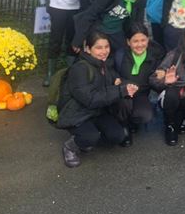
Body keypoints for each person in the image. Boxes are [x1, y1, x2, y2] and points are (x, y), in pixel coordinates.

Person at [58, 31, 137, 168]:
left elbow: (114, 82)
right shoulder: (79, 69)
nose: (104, 51)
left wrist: (126, 85)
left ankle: (88, 139)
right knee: (90, 137)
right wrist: (120, 90)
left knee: (118, 136)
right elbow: (90, 99)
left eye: (106, 47)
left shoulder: (103, 64)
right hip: (78, 113)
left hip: (97, 111)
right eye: (98, 47)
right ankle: (71, 146)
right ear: (88, 49)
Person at [71, 0, 149, 69]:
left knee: (122, 57)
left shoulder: (141, 0)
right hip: (99, 29)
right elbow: (90, 14)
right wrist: (78, 39)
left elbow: (137, 23)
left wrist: (138, 40)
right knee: (91, 58)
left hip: (117, 32)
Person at [115, 22, 164, 145]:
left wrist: (163, 79)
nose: (140, 44)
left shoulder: (156, 55)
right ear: (128, 42)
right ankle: (123, 126)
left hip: (141, 94)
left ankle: (133, 121)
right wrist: (117, 80)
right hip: (123, 93)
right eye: (135, 41)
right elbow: (111, 72)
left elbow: (156, 83)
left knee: (145, 115)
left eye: (143, 40)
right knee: (124, 103)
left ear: (148, 40)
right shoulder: (120, 55)